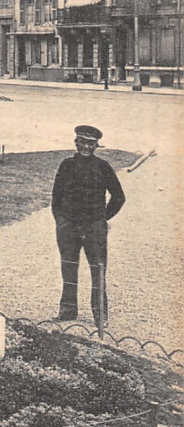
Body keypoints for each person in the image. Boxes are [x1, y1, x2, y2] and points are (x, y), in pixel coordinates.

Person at [51, 124, 126, 325]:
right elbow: (56, 197)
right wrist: (61, 220)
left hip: (94, 227)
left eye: (91, 144)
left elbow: (119, 197)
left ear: (96, 146)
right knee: (68, 267)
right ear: (76, 143)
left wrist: (102, 219)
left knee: (98, 269)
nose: (86, 147)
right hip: (68, 225)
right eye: (82, 142)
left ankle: (100, 315)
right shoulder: (66, 165)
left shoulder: (103, 167)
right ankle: (67, 311)